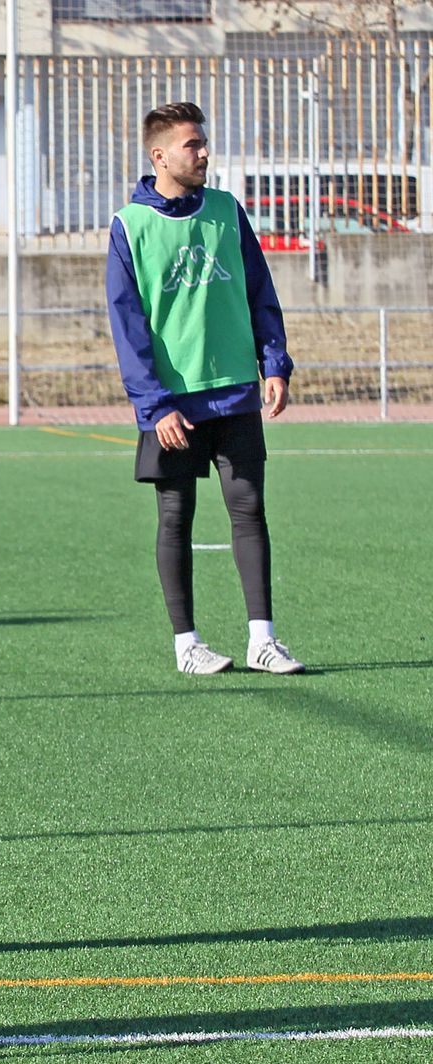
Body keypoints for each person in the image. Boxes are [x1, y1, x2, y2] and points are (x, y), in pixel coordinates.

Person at [107, 101, 303, 676]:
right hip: (173, 406)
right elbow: (128, 326)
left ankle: (262, 639)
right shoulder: (129, 225)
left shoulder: (226, 211)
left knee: (249, 509)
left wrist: (274, 363)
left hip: (236, 389)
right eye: (192, 145)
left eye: (204, 143)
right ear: (159, 154)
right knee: (176, 516)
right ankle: (186, 643)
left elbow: (259, 291)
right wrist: (153, 405)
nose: (204, 153)